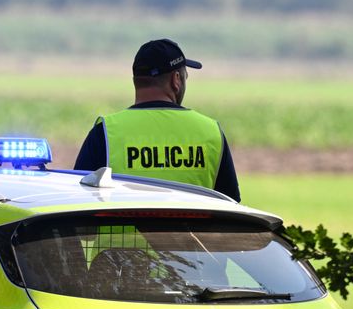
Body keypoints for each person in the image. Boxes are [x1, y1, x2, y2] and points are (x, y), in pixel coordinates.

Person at [75, 39, 240, 201]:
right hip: (192, 229)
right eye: (185, 77)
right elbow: (231, 204)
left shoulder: (105, 132)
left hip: (125, 229)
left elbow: (79, 198)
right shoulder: (210, 131)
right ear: (176, 80)